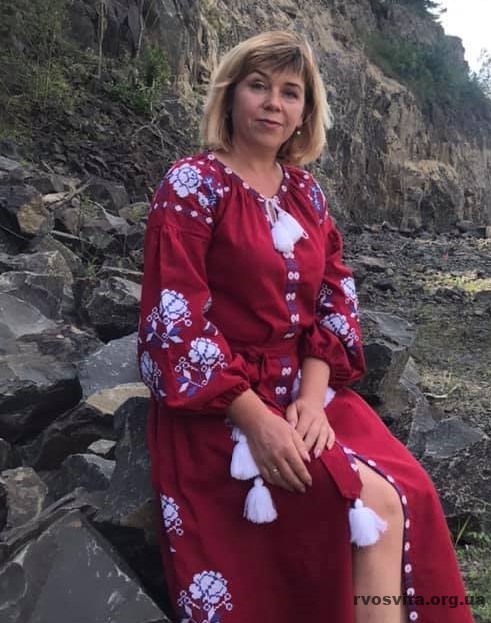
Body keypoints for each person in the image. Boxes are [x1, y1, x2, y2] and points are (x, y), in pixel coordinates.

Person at [138, 30, 474, 623]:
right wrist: (258, 422)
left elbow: (335, 299)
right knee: (369, 503)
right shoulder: (191, 186)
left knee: (410, 491)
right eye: (258, 86)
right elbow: (175, 318)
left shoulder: (306, 194)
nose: (274, 103)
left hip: (304, 394)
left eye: (290, 92)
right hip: (222, 406)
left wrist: (313, 402)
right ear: (230, 96)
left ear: (304, 113)